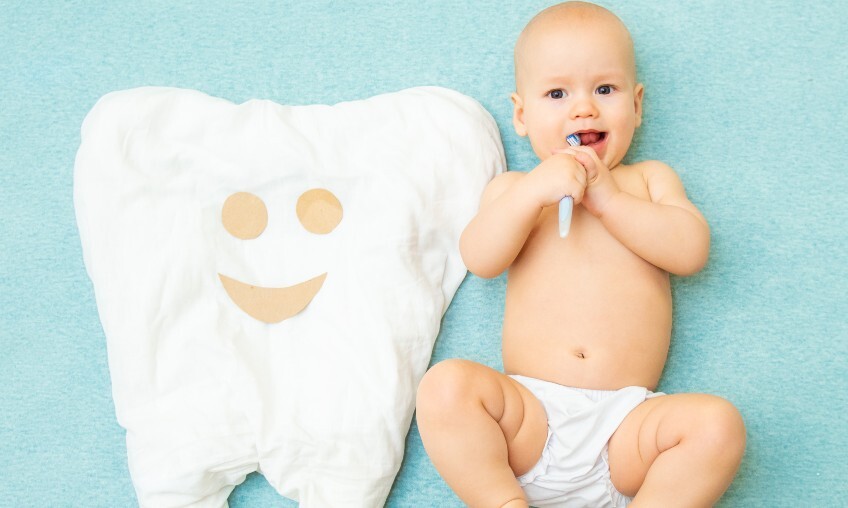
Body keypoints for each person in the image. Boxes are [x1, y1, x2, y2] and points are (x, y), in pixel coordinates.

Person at [415, 2, 746, 507]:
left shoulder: (648, 180)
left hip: (625, 430)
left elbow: (690, 250)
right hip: (529, 420)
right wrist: (532, 194)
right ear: (522, 115)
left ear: (636, 104)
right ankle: (501, 501)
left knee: (717, 425)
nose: (584, 108)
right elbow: (480, 258)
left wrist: (610, 199)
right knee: (444, 388)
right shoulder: (516, 189)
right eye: (557, 93)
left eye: (605, 90)